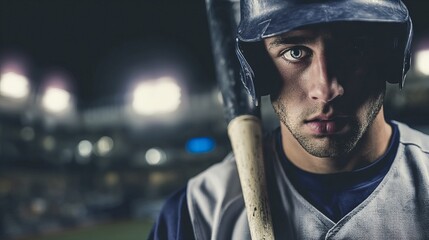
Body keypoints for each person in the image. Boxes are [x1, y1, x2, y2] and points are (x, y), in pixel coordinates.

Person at [149, 0, 429, 239]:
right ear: (258, 68)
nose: (326, 89)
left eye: (354, 48)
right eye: (295, 52)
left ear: (391, 54)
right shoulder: (197, 215)